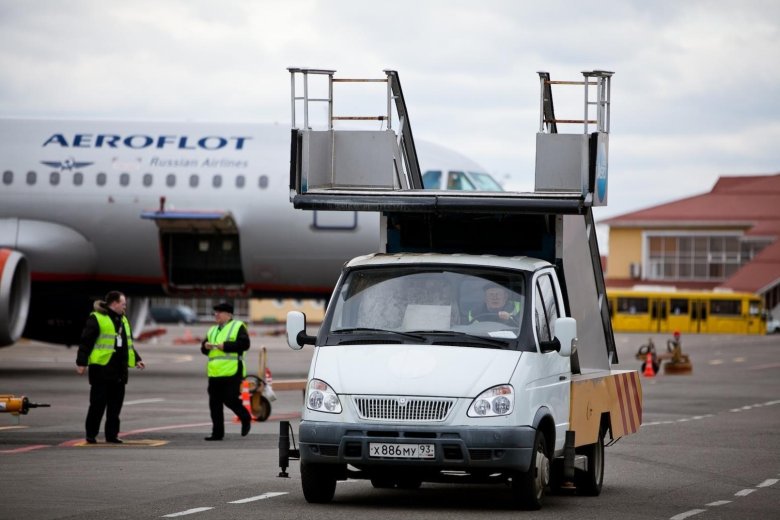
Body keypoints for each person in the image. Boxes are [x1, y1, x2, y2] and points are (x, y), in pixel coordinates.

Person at [76, 291, 145, 444]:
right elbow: (85, 342)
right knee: (97, 405)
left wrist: (137, 359)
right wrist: (81, 363)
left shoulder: (124, 320)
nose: (125, 306)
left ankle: (112, 435)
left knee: (115, 408)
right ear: (114, 304)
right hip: (101, 369)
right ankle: (91, 434)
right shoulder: (97, 318)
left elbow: (127, 344)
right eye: (123, 304)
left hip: (119, 371)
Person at [201, 302, 252, 441]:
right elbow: (204, 349)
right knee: (214, 404)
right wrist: (205, 346)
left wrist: (226, 346)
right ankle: (217, 433)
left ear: (228, 314)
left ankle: (245, 417)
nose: (216, 314)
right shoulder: (212, 330)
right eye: (215, 312)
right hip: (215, 373)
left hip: (232, 371)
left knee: (230, 399)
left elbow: (245, 344)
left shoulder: (238, 326)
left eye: (219, 312)